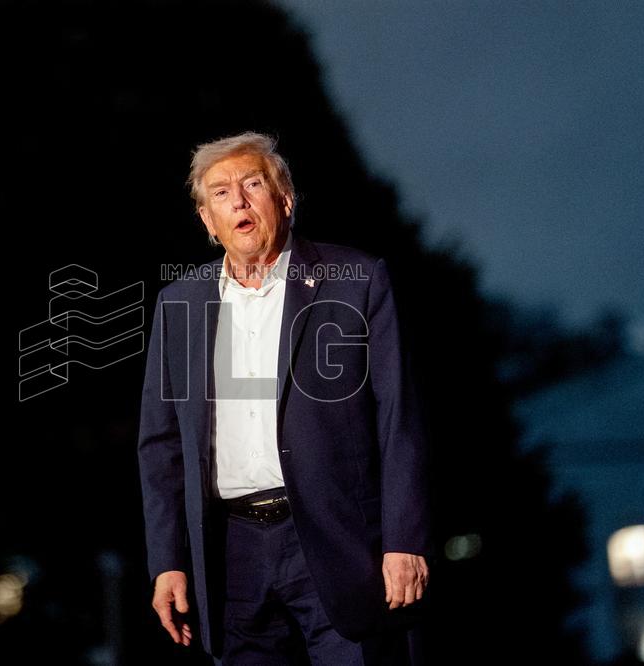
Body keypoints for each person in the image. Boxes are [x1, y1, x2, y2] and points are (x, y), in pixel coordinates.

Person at [137, 132, 430, 664]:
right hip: (230, 555)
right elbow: (160, 448)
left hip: (336, 542)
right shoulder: (177, 303)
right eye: (221, 194)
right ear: (207, 220)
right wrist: (168, 561)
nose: (239, 202)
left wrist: (404, 540)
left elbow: (398, 419)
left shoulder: (356, 280)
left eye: (253, 184)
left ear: (286, 199)